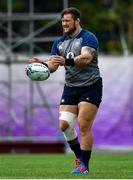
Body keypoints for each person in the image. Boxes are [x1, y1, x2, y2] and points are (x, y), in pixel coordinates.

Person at [29, 7, 102, 174]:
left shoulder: (88, 37)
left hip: (91, 86)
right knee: (64, 125)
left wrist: (65, 61)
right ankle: (79, 158)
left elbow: (86, 58)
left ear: (77, 21)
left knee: (83, 125)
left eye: (68, 20)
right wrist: (41, 65)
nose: (64, 24)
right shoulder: (59, 42)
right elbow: (53, 66)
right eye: (62, 21)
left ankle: (84, 166)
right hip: (70, 87)